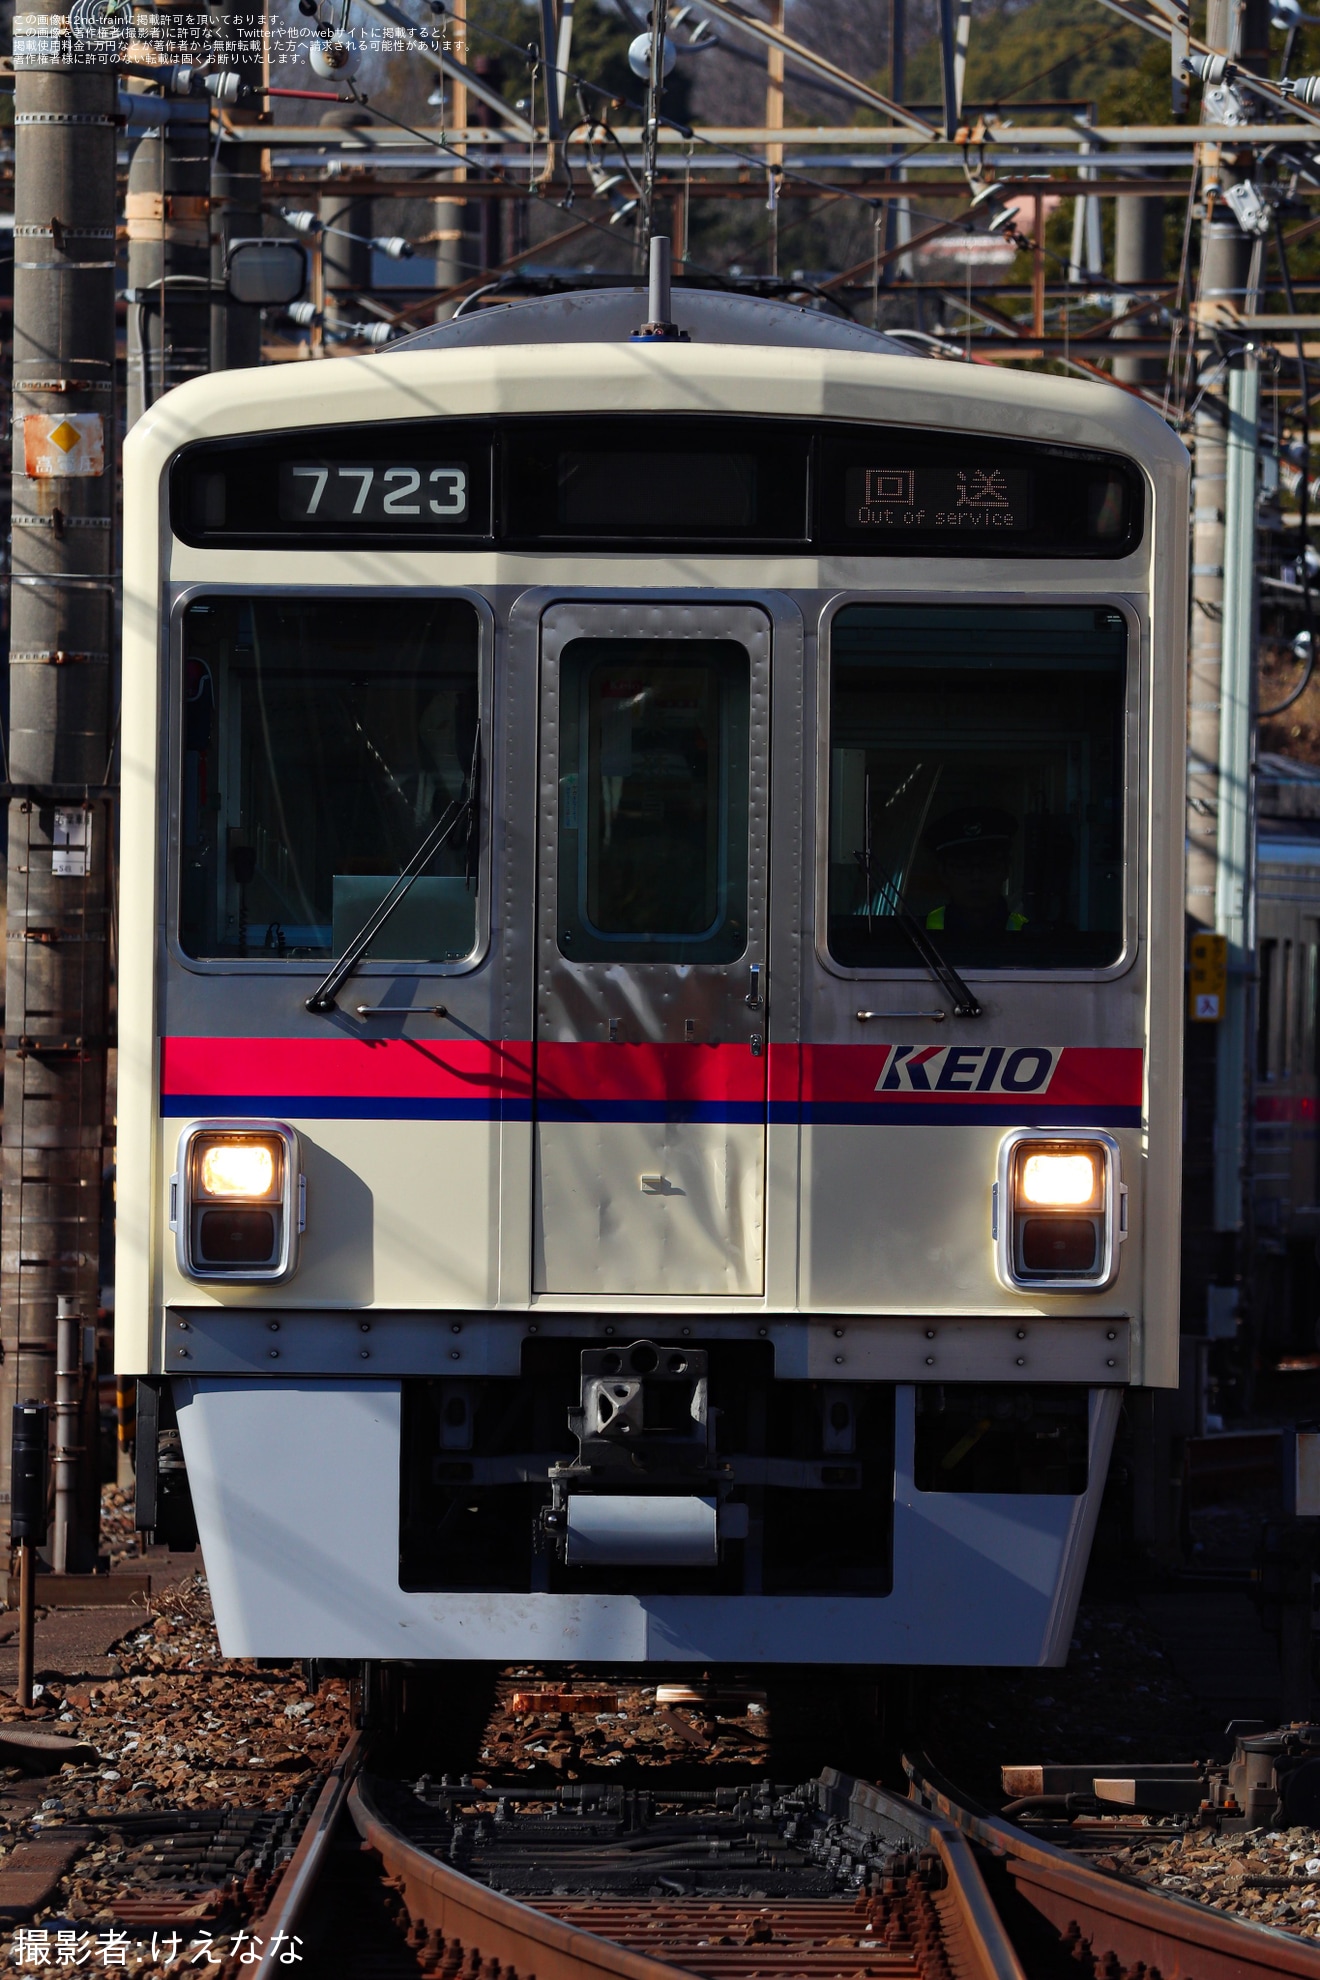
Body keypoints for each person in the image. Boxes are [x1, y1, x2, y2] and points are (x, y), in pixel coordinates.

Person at [924, 806, 1027, 935]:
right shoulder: (919, 937)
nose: (976, 876)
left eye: (989, 865)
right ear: (943, 873)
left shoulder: (1029, 936)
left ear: (1006, 869)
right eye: (962, 866)